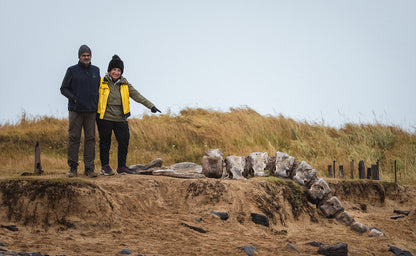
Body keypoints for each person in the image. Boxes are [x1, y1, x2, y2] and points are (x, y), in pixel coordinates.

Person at [97, 55, 161, 175]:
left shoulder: (125, 84)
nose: (116, 72)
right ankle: (105, 167)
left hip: (121, 118)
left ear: (121, 72)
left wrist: (151, 106)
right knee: (105, 142)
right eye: (114, 70)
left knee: (124, 140)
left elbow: (137, 96)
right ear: (110, 70)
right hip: (105, 118)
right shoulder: (101, 82)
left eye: (119, 70)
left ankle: (121, 167)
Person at [60, 45, 100, 178]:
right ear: (79, 57)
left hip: (91, 111)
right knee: (74, 138)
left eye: (88, 55)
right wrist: (74, 98)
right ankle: (73, 168)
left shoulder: (96, 70)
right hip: (76, 111)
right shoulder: (72, 70)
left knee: (91, 139)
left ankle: (89, 168)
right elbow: (63, 88)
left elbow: (99, 89)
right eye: (84, 55)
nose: (86, 57)